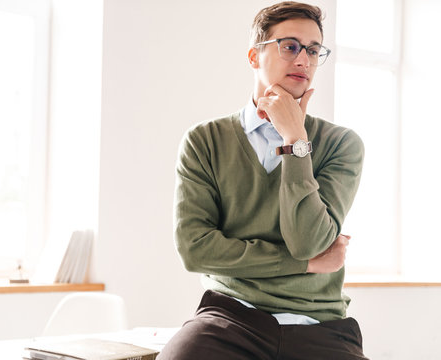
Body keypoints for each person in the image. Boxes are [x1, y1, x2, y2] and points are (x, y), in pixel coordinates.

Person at [157, 2, 368, 359]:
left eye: (314, 50)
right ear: (254, 56)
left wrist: (295, 142)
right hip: (230, 317)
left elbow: (307, 241)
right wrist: (305, 265)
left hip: (319, 323)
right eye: (290, 46)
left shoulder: (341, 145)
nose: (304, 60)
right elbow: (195, 249)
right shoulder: (204, 141)